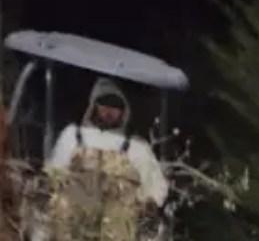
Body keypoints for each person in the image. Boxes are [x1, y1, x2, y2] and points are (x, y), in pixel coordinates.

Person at [46, 77, 169, 207]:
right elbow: (54, 173)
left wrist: (148, 205)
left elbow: (156, 187)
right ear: (94, 104)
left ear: (124, 109)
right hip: (74, 215)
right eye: (104, 103)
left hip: (119, 218)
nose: (109, 111)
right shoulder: (72, 135)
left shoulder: (137, 146)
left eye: (116, 105)